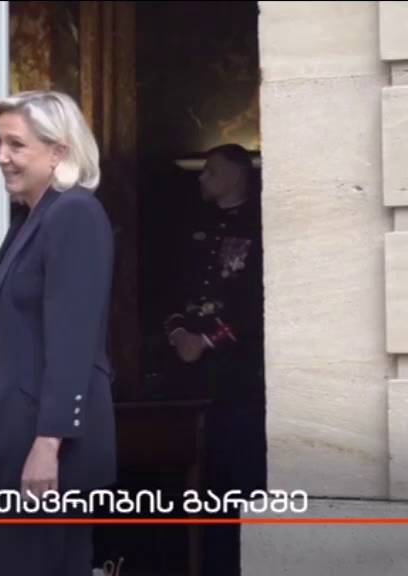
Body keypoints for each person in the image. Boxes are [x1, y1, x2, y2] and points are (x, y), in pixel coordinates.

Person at [0, 90, 117, 576]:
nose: (1, 156)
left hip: (48, 454)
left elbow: (73, 342)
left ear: (59, 151)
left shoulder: (74, 213)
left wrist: (48, 445)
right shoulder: (33, 216)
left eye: (16, 144)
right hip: (21, 446)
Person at [162, 143, 266, 575]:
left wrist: (207, 340)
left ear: (236, 175)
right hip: (188, 382)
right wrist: (179, 334)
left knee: (237, 486)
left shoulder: (260, 224)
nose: (202, 178)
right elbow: (169, 288)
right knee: (194, 491)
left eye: (211, 171)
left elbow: (257, 304)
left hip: (238, 380)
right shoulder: (193, 226)